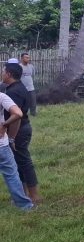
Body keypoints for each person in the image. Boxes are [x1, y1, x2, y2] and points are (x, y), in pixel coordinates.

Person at [3, 63, 39, 203]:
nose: (2, 73)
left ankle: (34, 195)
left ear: (9, 74)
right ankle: (22, 193)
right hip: (21, 128)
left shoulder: (13, 91)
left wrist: (11, 137)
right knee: (18, 162)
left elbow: (16, 117)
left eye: (3, 71)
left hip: (18, 130)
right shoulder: (17, 87)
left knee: (24, 162)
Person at [0, 89, 32, 211]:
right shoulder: (1, 97)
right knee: (11, 175)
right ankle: (24, 206)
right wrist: (4, 125)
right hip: (1, 146)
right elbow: (18, 113)